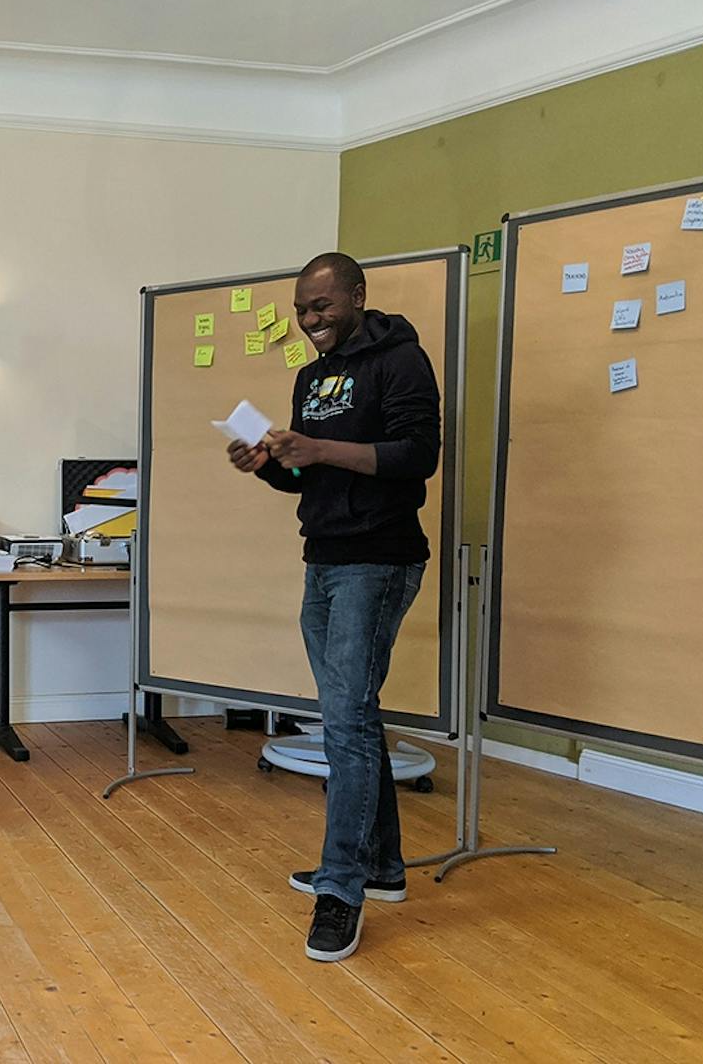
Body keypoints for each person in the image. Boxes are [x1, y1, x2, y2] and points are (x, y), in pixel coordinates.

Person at [227, 252, 440, 962]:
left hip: (377, 559)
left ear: (357, 295)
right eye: (301, 309)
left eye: (322, 306)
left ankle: (341, 890)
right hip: (323, 556)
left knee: (345, 722)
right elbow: (306, 475)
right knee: (353, 716)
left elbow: (416, 456)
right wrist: (271, 466)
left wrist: (317, 445)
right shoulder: (311, 377)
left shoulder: (400, 361)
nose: (311, 320)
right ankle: (380, 867)